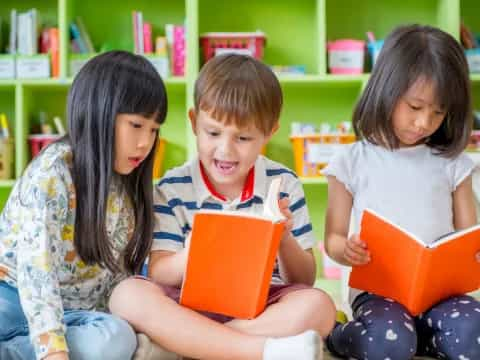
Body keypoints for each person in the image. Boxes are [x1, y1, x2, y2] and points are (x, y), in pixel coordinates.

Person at [109, 53, 336, 360]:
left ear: (269, 133)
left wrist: (283, 238)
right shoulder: (171, 188)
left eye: (243, 137)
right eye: (213, 133)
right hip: (186, 304)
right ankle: (257, 350)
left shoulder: (283, 183)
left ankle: (186, 347)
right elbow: (161, 272)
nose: (225, 150)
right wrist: (192, 255)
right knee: (127, 295)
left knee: (320, 307)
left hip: (260, 307)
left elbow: (303, 279)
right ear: (194, 122)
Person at [323, 24, 480, 359]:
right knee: (389, 343)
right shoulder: (351, 161)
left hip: (443, 294)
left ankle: (422, 337)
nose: (424, 122)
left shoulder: (454, 164)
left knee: (473, 333)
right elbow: (333, 240)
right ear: (386, 90)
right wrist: (346, 250)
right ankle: (339, 335)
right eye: (414, 107)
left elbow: (470, 237)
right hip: (379, 292)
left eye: (438, 112)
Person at [0, 50, 168, 360]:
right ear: (97, 114)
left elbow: (116, 278)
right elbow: (37, 272)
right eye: (136, 125)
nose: (146, 142)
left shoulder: (128, 186)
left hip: (74, 315)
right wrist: (54, 353)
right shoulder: (53, 172)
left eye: (154, 129)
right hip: (12, 299)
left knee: (115, 338)